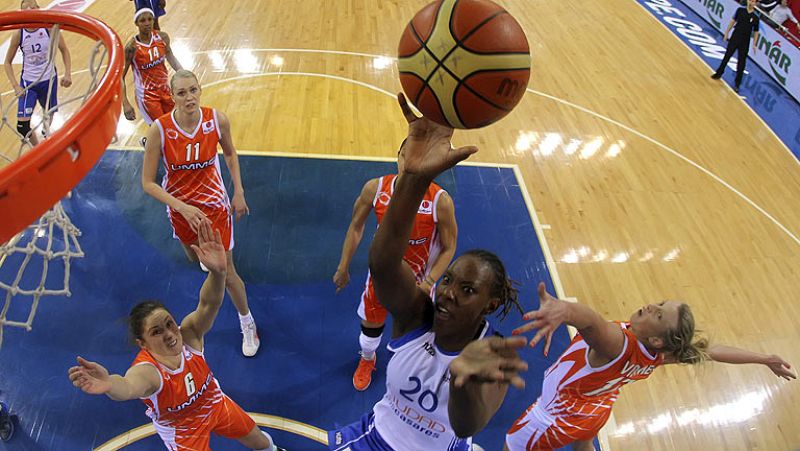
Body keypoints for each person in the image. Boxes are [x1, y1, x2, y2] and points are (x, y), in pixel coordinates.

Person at [327, 93, 528, 451]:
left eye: (468, 290)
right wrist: (415, 179)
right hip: (374, 439)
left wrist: (463, 382)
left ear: (490, 303)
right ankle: (366, 358)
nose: (449, 292)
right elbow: (384, 263)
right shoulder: (419, 315)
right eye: (449, 280)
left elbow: (467, 425)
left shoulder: (495, 354)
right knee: (369, 327)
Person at [477, 283, 798, 450]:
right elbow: (712, 351)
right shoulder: (661, 355)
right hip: (596, 411)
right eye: (659, 303)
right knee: (585, 442)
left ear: (658, 338)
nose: (650, 306)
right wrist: (764, 358)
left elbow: (589, 320)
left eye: (658, 315)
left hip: (555, 417)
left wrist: (563, 311)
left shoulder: (617, 343)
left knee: (512, 443)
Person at [67, 222, 284, 451]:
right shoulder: (148, 372)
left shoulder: (189, 335)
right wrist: (110, 383)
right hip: (183, 431)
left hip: (214, 403)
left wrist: (218, 273)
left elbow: (209, 303)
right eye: (157, 332)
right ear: (142, 343)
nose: (170, 334)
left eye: (169, 324)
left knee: (258, 439)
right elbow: (128, 386)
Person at [141, 69, 260, 357]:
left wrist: (239, 191)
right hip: (181, 211)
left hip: (214, 210)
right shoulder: (159, 130)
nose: (189, 97)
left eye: (193, 90)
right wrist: (181, 206)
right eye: (181, 93)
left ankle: (248, 322)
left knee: (226, 271)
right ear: (173, 97)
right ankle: (212, 277)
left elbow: (230, 154)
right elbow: (147, 183)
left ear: (200, 90)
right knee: (195, 259)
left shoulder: (216, 120)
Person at [333, 143, 458, 391]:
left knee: (419, 334)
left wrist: (429, 282)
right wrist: (343, 265)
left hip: (420, 284)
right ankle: (368, 358)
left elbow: (450, 246)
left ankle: (414, 368)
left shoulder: (440, 201)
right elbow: (356, 226)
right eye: (407, 156)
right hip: (381, 277)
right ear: (398, 157)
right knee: (371, 323)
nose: (411, 164)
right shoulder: (375, 188)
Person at [3, 0, 72, 146]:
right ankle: (37, 149)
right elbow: (7, 62)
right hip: (29, 83)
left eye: (33, 8)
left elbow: (64, 50)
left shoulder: (49, 28)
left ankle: (46, 132)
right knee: (22, 127)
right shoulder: (19, 34)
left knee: (50, 113)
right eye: (26, 10)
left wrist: (68, 73)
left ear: (38, 10)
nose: (30, 12)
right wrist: (16, 85)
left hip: (49, 80)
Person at [122, 8, 182, 134]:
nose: (147, 23)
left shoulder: (162, 37)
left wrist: (183, 73)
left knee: (176, 124)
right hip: (147, 97)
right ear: (136, 23)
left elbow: (170, 55)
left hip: (165, 90)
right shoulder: (131, 47)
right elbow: (119, 78)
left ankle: (150, 142)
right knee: (161, 131)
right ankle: (151, 144)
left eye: (150, 19)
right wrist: (125, 103)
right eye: (142, 20)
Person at [711, 0, 761, 93]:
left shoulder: (755, 17)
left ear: (755, 4)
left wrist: (754, 44)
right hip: (735, 37)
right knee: (727, 56)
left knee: (741, 62)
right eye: (750, 0)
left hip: (745, 42)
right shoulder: (740, 10)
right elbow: (733, 21)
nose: (751, 2)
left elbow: (756, 32)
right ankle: (719, 73)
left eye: (753, 1)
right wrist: (726, 32)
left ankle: (737, 83)